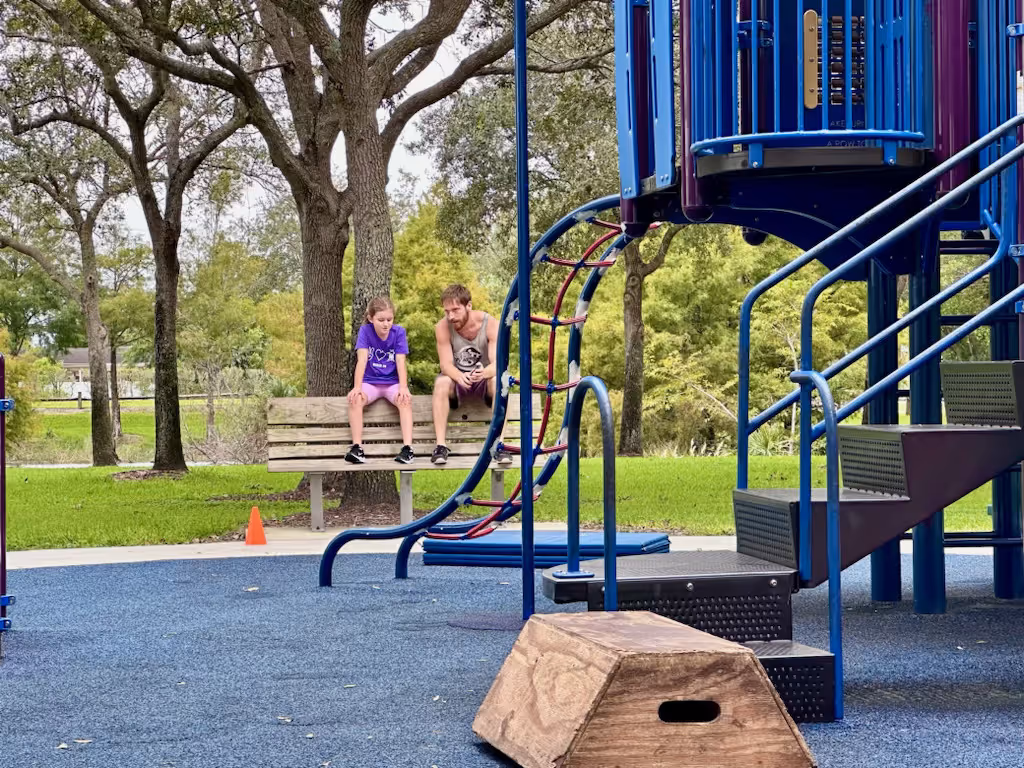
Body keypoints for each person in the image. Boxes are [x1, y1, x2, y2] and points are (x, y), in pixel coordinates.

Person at [430, 284, 512, 465]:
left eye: (455, 310)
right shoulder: (442, 327)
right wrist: (459, 376)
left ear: (469, 306)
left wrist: (484, 373)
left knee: (498, 382)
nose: (451, 316)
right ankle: (441, 446)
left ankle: (500, 444)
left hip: (483, 378)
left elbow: (499, 364)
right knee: (441, 383)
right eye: (447, 311)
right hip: (458, 381)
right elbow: (445, 364)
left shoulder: (490, 324)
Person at [345, 296, 414, 465]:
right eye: (381, 320)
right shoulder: (365, 332)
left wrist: (403, 387)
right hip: (371, 383)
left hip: (392, 383)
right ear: (370, 318)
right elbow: (362, 360)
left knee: (404, 401)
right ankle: (357, 448)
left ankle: (407, 449)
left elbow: (400, 361)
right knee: (355, 400)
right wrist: (357, 387)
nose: (386, 324)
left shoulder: (399, 333)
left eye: (389, 320)